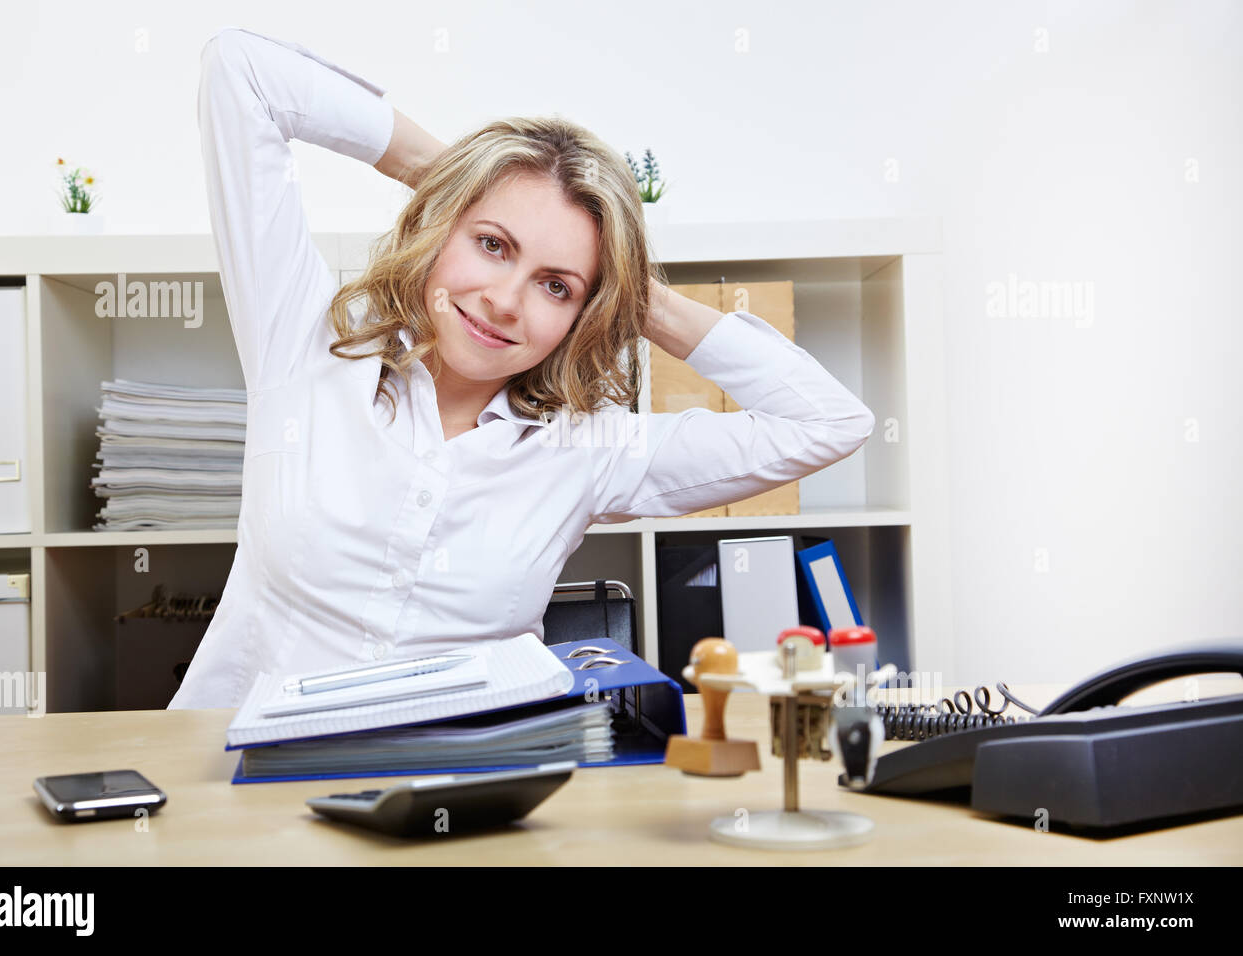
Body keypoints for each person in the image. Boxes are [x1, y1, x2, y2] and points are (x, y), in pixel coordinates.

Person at [168, 27, 875, 710]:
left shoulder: (588, 449)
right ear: (444, 226)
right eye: (493, 243)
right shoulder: (305, 341)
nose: (505, 302)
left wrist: (636, 296)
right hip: (243, 790)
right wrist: (452, 178)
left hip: (464, 798)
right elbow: (241, 70)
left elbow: (829, 421)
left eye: (557, 285)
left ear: (584, 314)